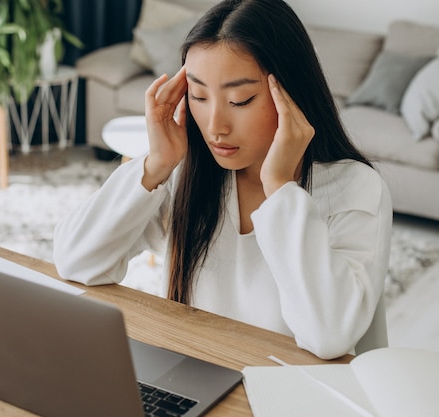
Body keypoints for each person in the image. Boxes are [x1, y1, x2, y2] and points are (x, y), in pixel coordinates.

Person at [53, 0, 392, 360]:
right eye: (198, 96)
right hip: (198, 380)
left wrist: (280, 190)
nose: (215, 126)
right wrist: (155, 165)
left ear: (293, 94)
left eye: (240, 100)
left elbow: (329, 336)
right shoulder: (186, 175)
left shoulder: (355, 189)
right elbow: (76, 261)